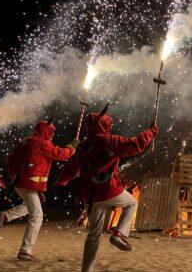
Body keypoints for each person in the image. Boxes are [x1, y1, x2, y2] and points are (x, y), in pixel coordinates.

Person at [55, 105, 158, 272]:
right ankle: (119, 234)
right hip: (109, 190)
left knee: (93, 235)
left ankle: (87, 270)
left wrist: (61, 180)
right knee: (131, 203)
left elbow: (71, 168)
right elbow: (137, 144)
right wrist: (151, 132)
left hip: (90, 195)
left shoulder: (82, 147)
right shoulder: (111, 141)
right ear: (104, 125)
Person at [0, 118, 75, 261]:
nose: (52, 136)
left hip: (21, 181)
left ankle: (5, 216)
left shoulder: (30, 141)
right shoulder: (40, 143)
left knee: (30, 208)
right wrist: (73, 147)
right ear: (46, 132)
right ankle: (25, 251)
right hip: (27, 183)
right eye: (51, 133)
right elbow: (61, 154)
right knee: (37, 215)